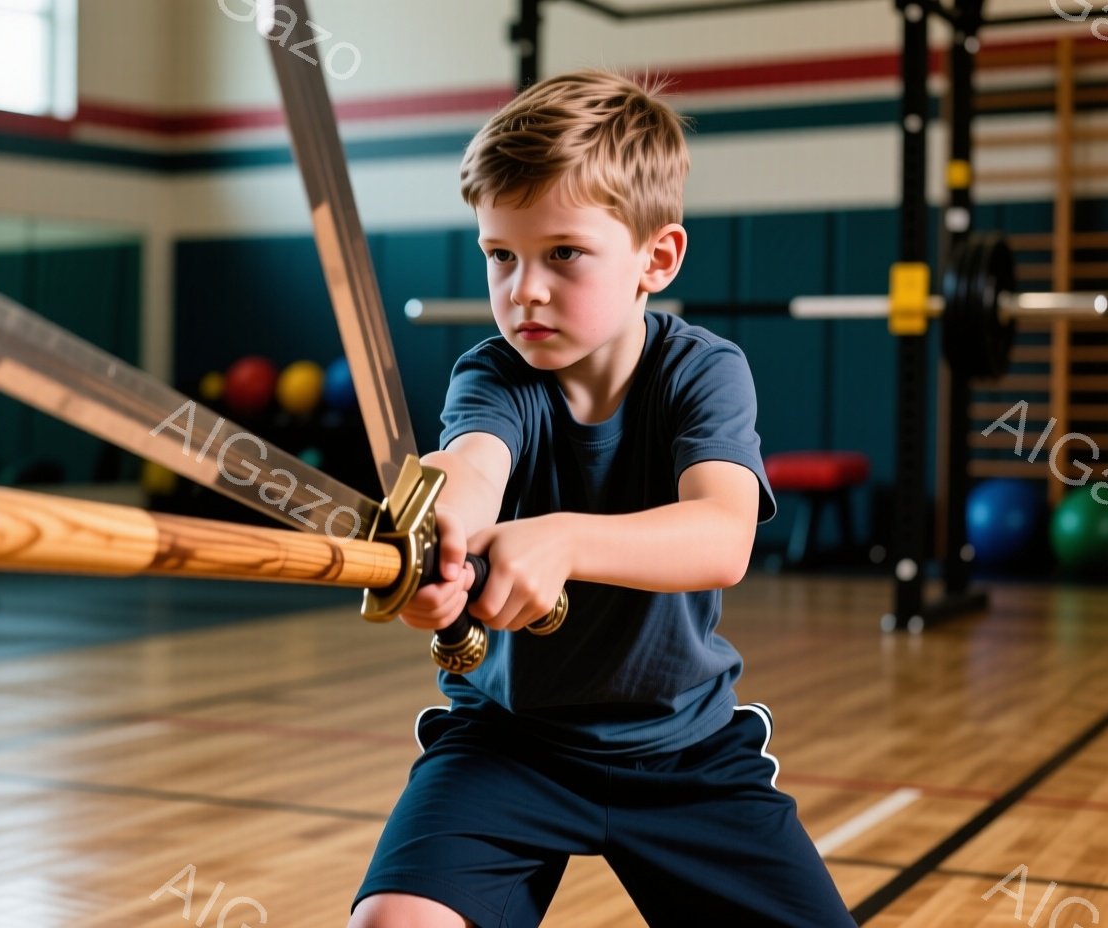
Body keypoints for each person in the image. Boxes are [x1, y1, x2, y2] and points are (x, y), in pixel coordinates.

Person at [348, 70, 855, 928]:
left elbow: (722, 535)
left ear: (656, 258)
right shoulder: (494, 374)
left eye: (563, 254)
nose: (524, 290)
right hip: (510, 746)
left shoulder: (702, 372)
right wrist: (438, 543)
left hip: (683, 754)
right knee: (396, 922)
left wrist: (563, 542)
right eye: (500, 256)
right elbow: (473, 470)